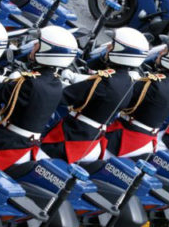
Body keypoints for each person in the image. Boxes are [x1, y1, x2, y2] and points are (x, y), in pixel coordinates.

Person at [41, 27, 149, 164]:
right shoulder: (127, 81)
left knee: (39, 153)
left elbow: (63, 97)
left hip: (74, 138)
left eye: (113, 45)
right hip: (95, 142)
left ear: (121, 52)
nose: (108, 46)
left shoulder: (104, 82)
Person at [0, 18, 76, 171]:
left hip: (8, 144)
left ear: (47, 52)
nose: (34, 45)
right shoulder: (56, 83)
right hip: (28, 144)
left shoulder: (29, 83)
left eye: (38, 44)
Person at [103, 35, 169, 160]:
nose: (160, 52)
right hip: (145, 140)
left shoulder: (152, 83)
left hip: (127, 138)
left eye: (165, 50)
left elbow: (118, 98)